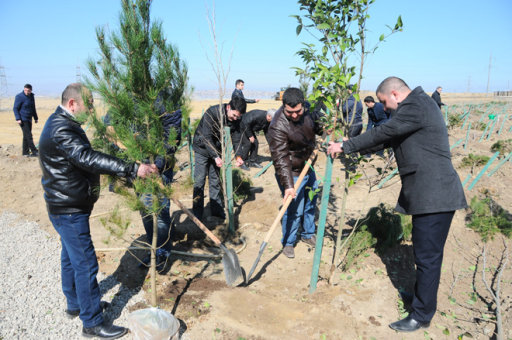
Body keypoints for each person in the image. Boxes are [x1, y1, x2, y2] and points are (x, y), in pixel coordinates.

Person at [327, 77, 467, 332]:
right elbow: (385, 140)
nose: (385, 108)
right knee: (425, 254)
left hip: (435, 196)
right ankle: (420, 302)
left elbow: (385, 131)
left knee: (427, 257)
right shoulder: (416, 107)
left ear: (395, 94)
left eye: (384, 102)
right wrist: (347, 149)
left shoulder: (417, 105)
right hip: (430, 195)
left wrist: (347, 145)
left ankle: (421, 315)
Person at [39, 83, 158, 339]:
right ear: (73, 104)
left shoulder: (61, 122)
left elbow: (86, 155)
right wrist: (131, 168)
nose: (92, 109)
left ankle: (76, 305)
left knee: (70, 257)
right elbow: (87, 158)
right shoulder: (61, 128)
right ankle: (92, 322)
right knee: (85, 262)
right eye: (89, 104)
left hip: (64, 205)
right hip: (68, 209)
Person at [267, 88, 323, 259]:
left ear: (303, 104)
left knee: (311, 201)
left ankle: (307, 233)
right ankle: (289, 242)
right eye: (289, 112)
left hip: (308, 164)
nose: (294, 115)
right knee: (294, 208)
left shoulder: (309, 110)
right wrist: (289, 185)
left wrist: (326, 129)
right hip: (290, 171)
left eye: (297, 111)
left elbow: (318, 126)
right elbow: (280, 158)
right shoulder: (277, 125)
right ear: (283, 106)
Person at [192, 96, 247, 221]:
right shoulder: (212, 113)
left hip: (217, 148)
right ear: (228, 107)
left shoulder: (237, 118)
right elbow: (206, 136)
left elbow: (237, 137)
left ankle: (216, 212)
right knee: (199, 181)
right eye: (233, 115)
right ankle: (197, 214)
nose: (235, 119)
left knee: (215, 180)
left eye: (238, 117)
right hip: (202, 147)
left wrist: (238, 155)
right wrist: (215, 156)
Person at [13, 84, 39, 157]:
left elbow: (33, 108)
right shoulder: (19, 97)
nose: (27, 92)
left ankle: (25, 153)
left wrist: (35, 117)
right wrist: (18, 118)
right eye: (25, 90)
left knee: (26, 136)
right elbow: (15, 108)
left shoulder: (31, 96)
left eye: (28, 90)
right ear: (24, 89)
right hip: (22, 119)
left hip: (29, 119)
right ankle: (34, 151)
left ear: (31, 90)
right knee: (29, 135)